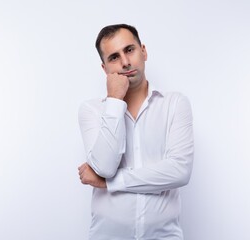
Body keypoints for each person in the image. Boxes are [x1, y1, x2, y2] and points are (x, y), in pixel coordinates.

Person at [78, 23, 194, 240]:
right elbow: (105, 166)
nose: (125, 62)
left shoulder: (175, 104)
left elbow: (179, 171)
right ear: (105, 69)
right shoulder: (92, 110)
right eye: (114, 57)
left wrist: (109, 183)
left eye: (129, 50)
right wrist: (114, 101)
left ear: (143, 51)